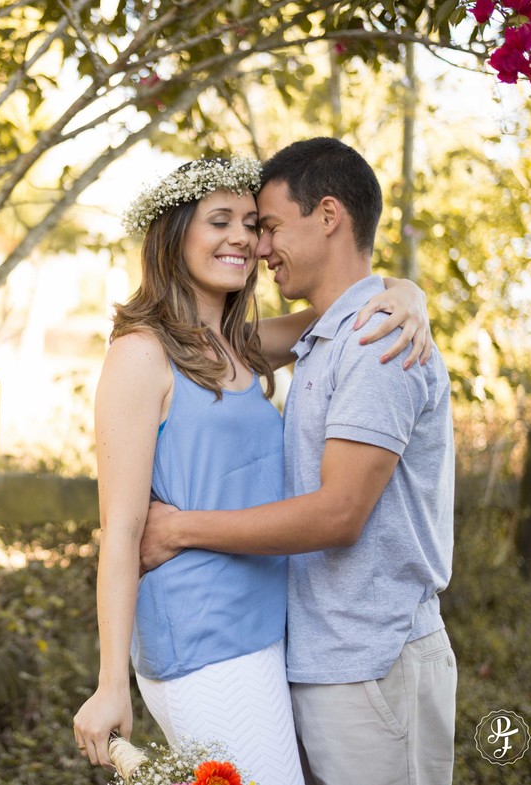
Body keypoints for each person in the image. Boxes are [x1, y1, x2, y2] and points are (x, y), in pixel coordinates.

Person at [72, 154, 432, 784]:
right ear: (173, 235)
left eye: (252, 223)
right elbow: (123, 531)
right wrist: (109, 684)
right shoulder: (141, 354)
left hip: (268, 628)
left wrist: (410, 294)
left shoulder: (239, 346)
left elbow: (349, 309)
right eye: (219, 221)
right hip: (202, 638)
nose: (244, 237)